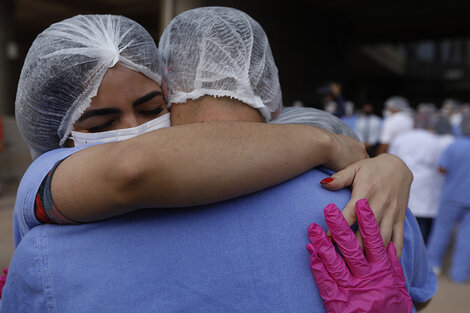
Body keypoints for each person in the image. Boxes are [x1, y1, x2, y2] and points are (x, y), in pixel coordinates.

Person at [1, 10, 435, 312]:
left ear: (170, 89)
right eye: (101, 122)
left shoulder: (46, 254)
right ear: (275, 98)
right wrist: (333, 147)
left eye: (151, 109)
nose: (133, 131)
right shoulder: (368, 205)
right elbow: (131, 168)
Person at [388, 108, 454, 243]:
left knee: (402, 222)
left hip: (403, 184)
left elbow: (391, 160)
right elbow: (440, 166)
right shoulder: (435, 141)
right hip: (427, 188)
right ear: (429, 124)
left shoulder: (401, 139)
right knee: (422, 228)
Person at [427, 114, 470, 283]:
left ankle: (432, 267)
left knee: (441, 230)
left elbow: (441, 169)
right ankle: (459, 274)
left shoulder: (454, 146)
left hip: (452, 195)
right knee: (467, 236)